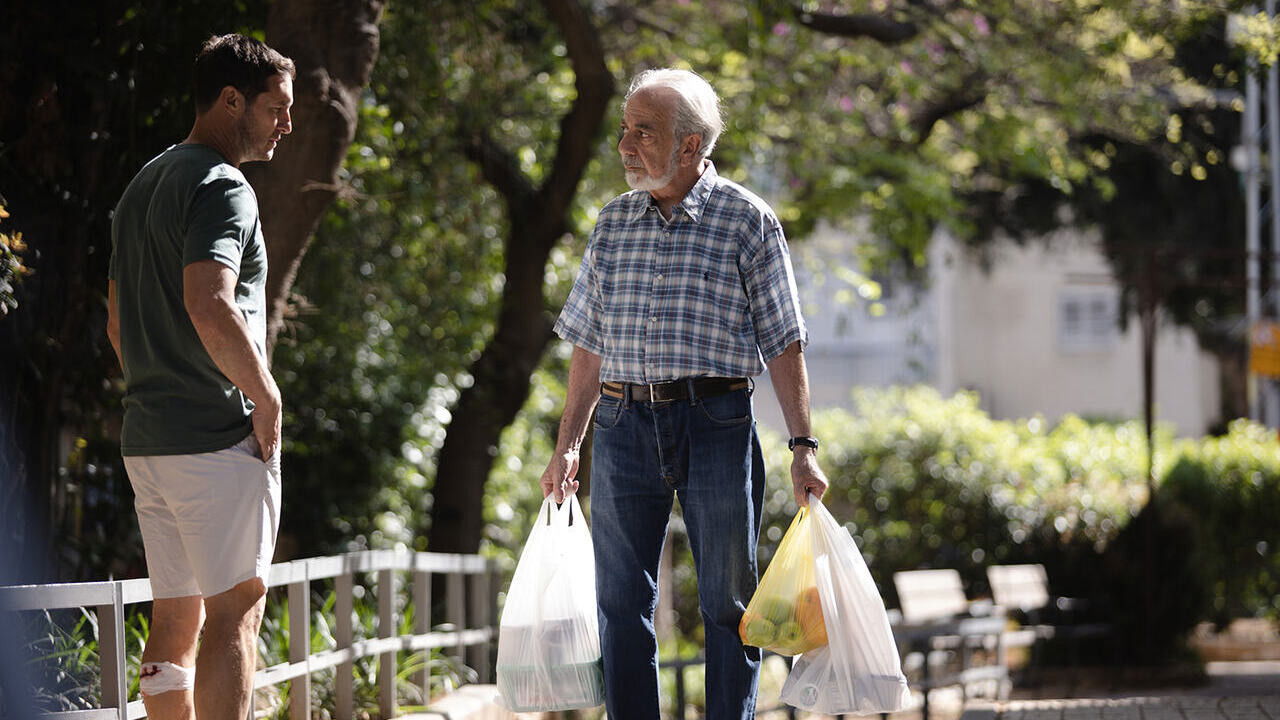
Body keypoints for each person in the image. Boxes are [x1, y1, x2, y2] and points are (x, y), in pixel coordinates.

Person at [541, 68, 830, 720]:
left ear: (691, 144)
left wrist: (804, 446)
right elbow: (588, 342)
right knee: (619, 603)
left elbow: (785, 342)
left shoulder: (748, 220)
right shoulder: (613, 223)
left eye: (644, 132)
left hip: (717, 422)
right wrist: (568, 445)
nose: (626, 145)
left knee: (729, 606)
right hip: (622, 422)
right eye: (625, 130)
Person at [107, 33, 293, 720]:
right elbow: (209, 300)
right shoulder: (222, 185)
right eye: (277, 108)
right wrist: (266, 396)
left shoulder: (142, 184)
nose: (287, 125)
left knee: (175, 623)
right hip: (216, 441)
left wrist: (161, 391)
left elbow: (118, 326)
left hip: (149, 441)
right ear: (230, 100)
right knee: (233, 619)